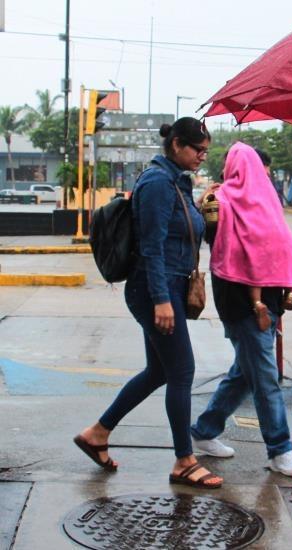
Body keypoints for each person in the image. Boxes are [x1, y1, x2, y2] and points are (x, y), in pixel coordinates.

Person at [74, 117, 223, 488]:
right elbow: (152, 246)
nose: (203, 157)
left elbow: (183, 234)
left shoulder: (177, 181)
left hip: (167, 285)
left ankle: (97, 432)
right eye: (198, 149)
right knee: (182, 371)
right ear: (176, 145)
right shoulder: (158, 182)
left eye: (206, 151)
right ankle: (184, 460)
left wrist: (204, 210)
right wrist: (161, 300)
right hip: (155, 288)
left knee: (159, 372)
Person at [191, 142, 292, 477]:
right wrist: (203, 207)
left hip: (268, 298)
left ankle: (204, 430)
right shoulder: (220, 201)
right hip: (240, 300)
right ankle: (280, 448)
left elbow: (279, 243)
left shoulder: (265, 199)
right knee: (265, 376)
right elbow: (210, 239)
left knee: (245, 372)